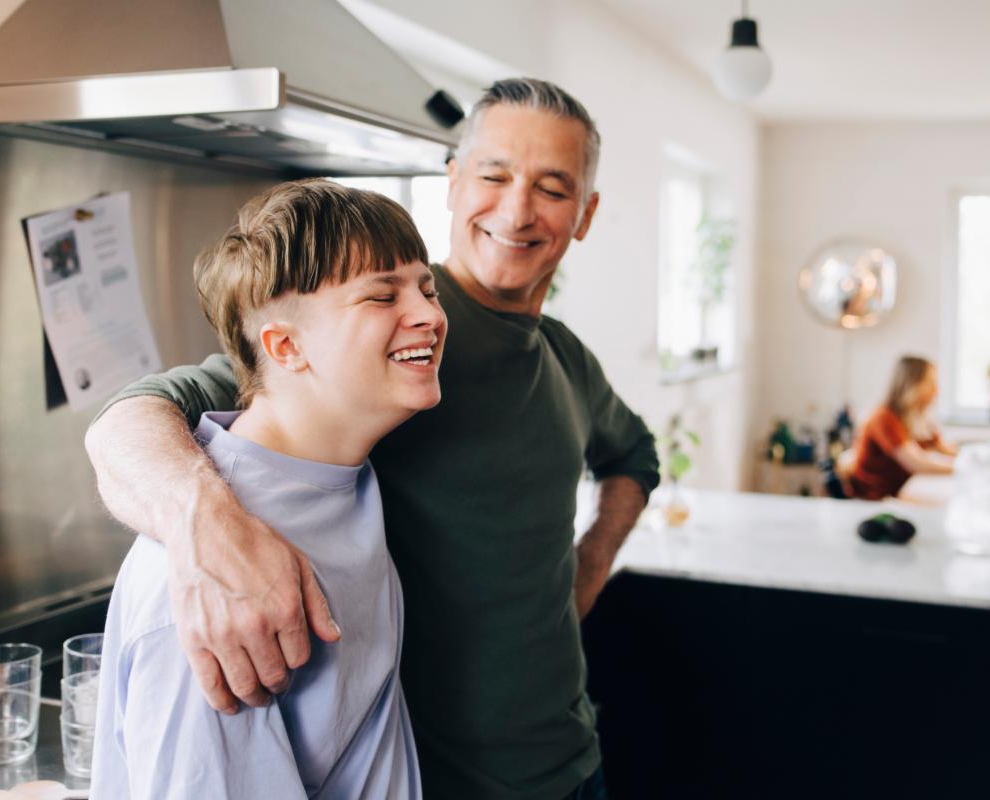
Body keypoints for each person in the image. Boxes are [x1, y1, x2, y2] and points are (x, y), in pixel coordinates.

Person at [85, 78, 659, 800]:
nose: (517, 208)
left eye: (551, 186)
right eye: (493, 175)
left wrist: (587, 566)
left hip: (570, 766)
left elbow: (633, 454)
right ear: (452, 183)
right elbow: (132, 417)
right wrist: (204, 526)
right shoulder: (373, 344)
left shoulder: (561, 357)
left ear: (584, 214)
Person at [90, 180, 445, 799]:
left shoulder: (342, 478)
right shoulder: (210, 589)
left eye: (427, 288)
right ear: (285, 346)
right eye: (381, 295)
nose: (430, 316)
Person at [848, 355, 957, 500]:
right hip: (873, 500)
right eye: (931, 383)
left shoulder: (918, 418)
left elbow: (943, 448)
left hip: (896, 495)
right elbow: (916, 463)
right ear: (912, 384)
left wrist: (985, 460)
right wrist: (965, 469)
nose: (936, 391)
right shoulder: (883, 418)